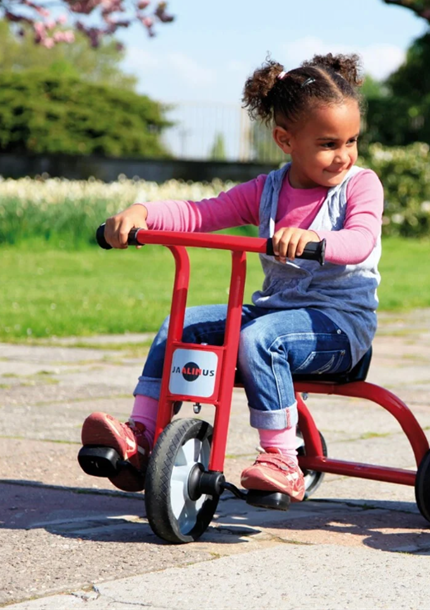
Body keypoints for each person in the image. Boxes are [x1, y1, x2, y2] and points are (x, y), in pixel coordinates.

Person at [83, 53, 383, 504]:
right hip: (274, 313)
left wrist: (313, 238)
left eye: (351, 141)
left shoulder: (360, 186)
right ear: (285, 140)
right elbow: (202, 212)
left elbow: (359, 240)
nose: (344, 155)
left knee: (261, 338)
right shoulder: (268, 190)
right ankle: (142, 435)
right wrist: (140, 213)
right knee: (179, 325)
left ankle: (283, 457)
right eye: (327, 144)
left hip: (339, 326)